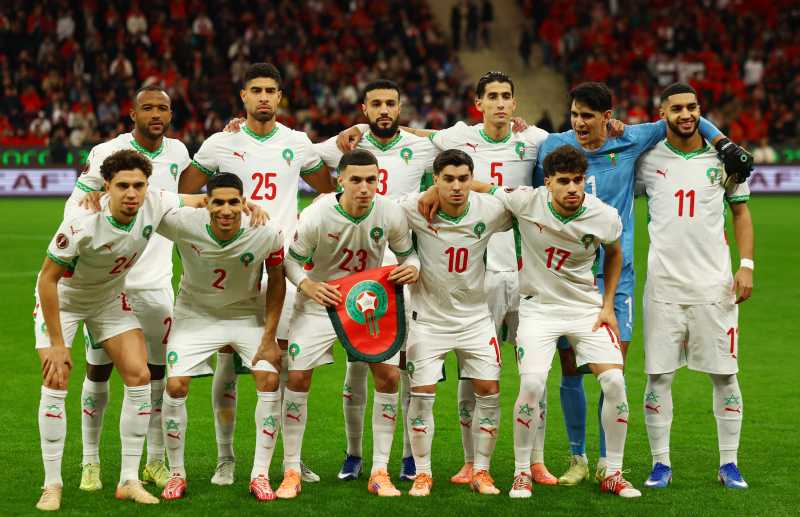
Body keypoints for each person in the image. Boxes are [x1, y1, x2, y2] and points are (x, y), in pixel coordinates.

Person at [338, 70, 554, 485]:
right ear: (479, 103)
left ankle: (534, 461)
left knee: (532, 374)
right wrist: (363, 129)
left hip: (523, 276)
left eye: (506, 96)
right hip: (457, 292)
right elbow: (412, 134)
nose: (500, 103)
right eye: (492, 96)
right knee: (454, 379)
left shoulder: (535, 139)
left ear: (514, 102)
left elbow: (545, 185)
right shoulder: (455, 139)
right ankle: (458, 464)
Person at [532, 82, 752, 485]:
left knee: (613, 370)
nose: (579, 122)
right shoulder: (554, 146)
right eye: (575, 114)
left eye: (587, 115)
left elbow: (685, 117)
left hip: (625, 277)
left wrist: (722, 142)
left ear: (607, 117)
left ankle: (609, 462)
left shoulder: (634, 142)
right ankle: (579, 458)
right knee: (572, 369)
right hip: (570, 277)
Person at [178, 62, 334, 485]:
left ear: (280, 97)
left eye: (271, 90)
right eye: (256, 90)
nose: (264, 97)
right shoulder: (220, 143)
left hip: (282, 264)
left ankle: (289, 460)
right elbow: (183, 190)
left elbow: (328, 187)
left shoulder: (297, 143)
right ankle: (226, 458)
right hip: (234, 264)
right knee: (228, 362)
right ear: (243, 96)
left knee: (280, 364)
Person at [33, 149, 205, 510]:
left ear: (147, 186)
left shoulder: (154, 202)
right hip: (65, 300)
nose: (131, 193)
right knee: (56, 377)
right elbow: (47, 280)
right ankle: (52, 485)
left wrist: (245, 205)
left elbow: (200, 200)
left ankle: (128, 479)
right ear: (106, 186)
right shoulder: (81, 222)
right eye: (122, 185)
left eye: (138, 185)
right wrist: (58, 345)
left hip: (108, 300)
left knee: (139, 375)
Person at [485, 145, 639, 498]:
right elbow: (484, 188)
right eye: (564, 181)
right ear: (548, 182)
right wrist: (433, 193)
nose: (573, 188)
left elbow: (615, 253)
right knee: (532, 385)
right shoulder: (526, 200)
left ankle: (613, 472)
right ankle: (521, 473)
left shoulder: (603, 215)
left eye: (578, 180)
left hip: (586, 309)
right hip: (538, 309)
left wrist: (608, 305)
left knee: (614, 381)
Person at [64, 85, 191, 492]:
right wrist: (88, 206)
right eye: (147, 108)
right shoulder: (107, 152)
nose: (156, 114)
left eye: (162, 108)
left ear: (170, 114)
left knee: (155, 376)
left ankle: (153, 460)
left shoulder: (179, 153)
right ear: (132, 113)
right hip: (109, 288)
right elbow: (75, 204)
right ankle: (90, 461)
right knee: (98, 370)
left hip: (156, 284)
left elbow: (186, 198)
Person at [277, 149, 419, 499]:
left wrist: (412, 268)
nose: (364, 187)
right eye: (355, 180)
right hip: (320, 303)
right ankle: (291, 470)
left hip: (367, 303)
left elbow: (409, 255)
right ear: (340, 180)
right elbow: (291, 262)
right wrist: (308, 285)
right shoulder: (317, 214)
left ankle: (380, 471)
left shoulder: (390, 212)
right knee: (297, 377)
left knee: (388, 376)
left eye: (371, 180)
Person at [315, 79, 437, 482]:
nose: (384, 110)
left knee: (403, 367)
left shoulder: (420, 146)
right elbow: (293, 154)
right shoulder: (344, 145)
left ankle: (407, 456)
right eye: (376, 104)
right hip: (356, 274)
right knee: (356, 366)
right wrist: (235, 125)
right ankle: (354, 454)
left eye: (390, 104)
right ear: (363, 109)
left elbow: (466, 142)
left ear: (400, 108)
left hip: (403, 270)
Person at [636, 83, 754, 489]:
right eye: (677, 108)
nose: (685, 115)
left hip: (714, 288)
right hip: (663, 288)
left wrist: (746, 266)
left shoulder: (723, 160)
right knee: (659, 377)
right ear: (662, 113)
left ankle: (729, 464)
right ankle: (660, 464)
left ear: (700, 111)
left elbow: (741, 214)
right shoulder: (648, 159)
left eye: (692, 107)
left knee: (725, 376)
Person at [156, 173, 287, 501]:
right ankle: (176, 474)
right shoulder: (183, 222)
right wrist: (95, 196)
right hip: (194, 315)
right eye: (218, 202)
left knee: (269, 379)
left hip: (245, 314)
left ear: (244, 203)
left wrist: (269, 337)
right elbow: (145, 206)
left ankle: (259, 475)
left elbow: (277, 281)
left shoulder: (266, 231)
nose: (226, 210)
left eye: (233, 202)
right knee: (175, 385)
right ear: (206, 203)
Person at [399, 149, 509, 496]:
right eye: (448, 179)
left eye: (463, 179)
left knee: (489, 393)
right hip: (428, 321)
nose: (457, 186)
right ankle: (423, 474)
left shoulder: (490, 209)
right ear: (435, 180)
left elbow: (526, 203)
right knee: (421, 397)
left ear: (471, 179)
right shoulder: (413, 208)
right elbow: (376, 208)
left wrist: (481, 187)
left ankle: (482, 471)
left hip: (475, 320)